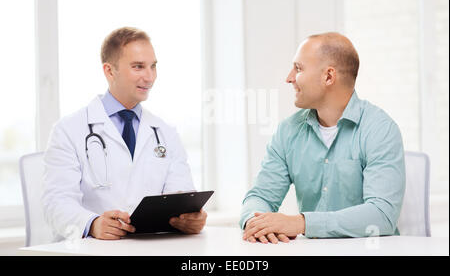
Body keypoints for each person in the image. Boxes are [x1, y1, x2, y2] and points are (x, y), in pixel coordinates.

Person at [42, 27, 207, 241]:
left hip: (150, 248)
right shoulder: (68, 130)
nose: (149, 77)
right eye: (138, 67)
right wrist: (92, 224)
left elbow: (181, 194)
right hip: (92, 250)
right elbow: (56, 202)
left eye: (153, 66)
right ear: (110, 71)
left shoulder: (165, 132)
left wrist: (190, 219)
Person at [240, 32, 405, 243]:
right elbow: (260, 197)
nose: (289, 78)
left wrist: (301, 223)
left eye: (298, 68)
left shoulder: (379, 130)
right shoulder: (288, 131)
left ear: (328, 76)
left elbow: (381, 215)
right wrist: (255, 223)